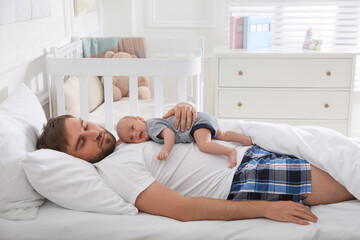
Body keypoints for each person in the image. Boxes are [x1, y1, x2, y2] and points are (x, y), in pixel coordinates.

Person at [37, 103, 355, 225]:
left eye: (85, 125)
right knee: (349, 180)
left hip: (248, 152)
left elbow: (172, 128)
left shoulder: (127, 138)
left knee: (338, 152)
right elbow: (183, 209)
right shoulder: (114, 169)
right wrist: (265, 208)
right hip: (244, 178)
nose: (94, 133)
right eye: (83, 141)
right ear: (72, 159)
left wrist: (182, 110)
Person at [116, 112, 252, 168]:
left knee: (204, 145)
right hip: (203, 117)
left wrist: (166, 150)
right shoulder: (151, 128)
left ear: (139, 119)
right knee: (223, 134)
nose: (135, 134)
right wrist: (121, 141)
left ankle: (229, 152)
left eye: (133, 127)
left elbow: (169, 134)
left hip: (195, 125)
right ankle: (245, 140)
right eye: (131, 138)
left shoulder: (152, 127)